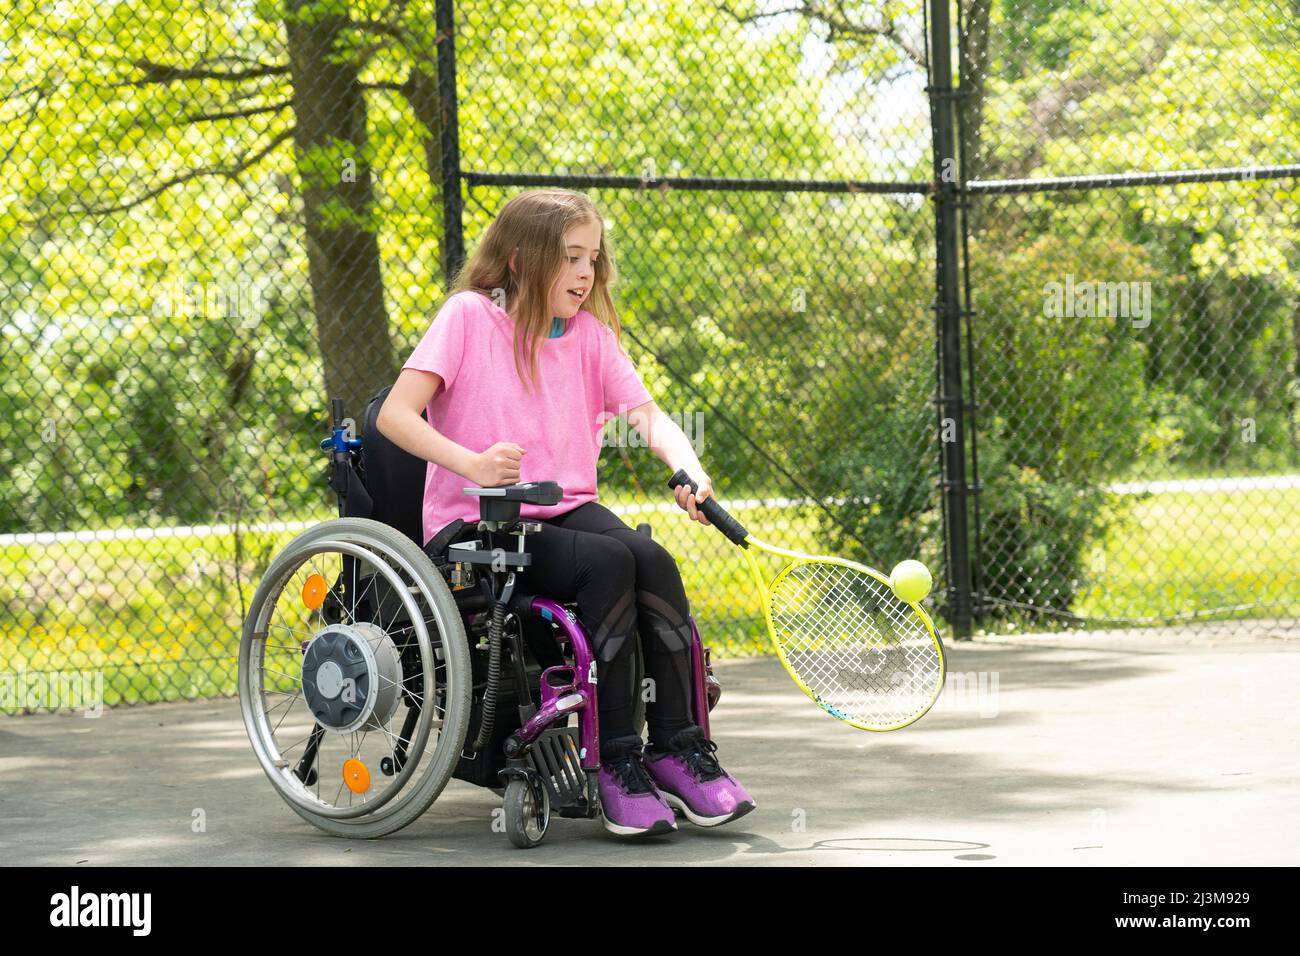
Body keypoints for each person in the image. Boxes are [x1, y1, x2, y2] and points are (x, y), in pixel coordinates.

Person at [377, 189, 754, 837]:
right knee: (608, 560)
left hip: (565, 511)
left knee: (653, 560)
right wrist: (469, 464)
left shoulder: (591, 340)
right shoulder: (469, 317)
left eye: (594, 260)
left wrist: (688, 467)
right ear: (522, 260)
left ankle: (676, 746)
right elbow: (394, 415)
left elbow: (649, 418)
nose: (586, 273)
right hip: (480, 524)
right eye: (571, 258)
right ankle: (615, 762)